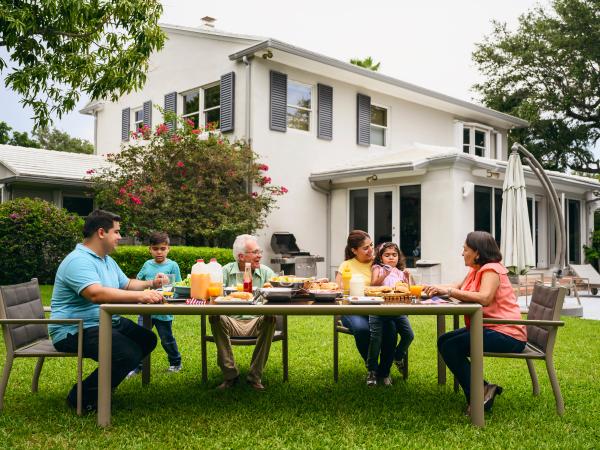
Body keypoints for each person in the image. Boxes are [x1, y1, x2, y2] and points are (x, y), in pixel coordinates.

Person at [50, 210, 164, 413]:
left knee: (146, 340)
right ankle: (81, 397)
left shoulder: (105, 259)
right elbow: (96, 294)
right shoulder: (78, 260)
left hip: (105, 322)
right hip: (75, 329)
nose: (120, 237)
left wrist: (151, 283)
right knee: (127, 354)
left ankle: (105, 386)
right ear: (101, 232)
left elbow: (127, 284)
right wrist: (141, 296)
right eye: (117, 232)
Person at [423, 231, 527, 415]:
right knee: (444, 341)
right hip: (488, 327)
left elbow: (484, 298)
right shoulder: (475, 269)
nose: (462, 253)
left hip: (506, 334)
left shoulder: (491, 269)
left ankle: (477, 397)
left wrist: (449, 292)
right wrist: (435, 288)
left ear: (477, 252)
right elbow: (457, 287)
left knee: (451, 347)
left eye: (465, 249)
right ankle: (485, 388)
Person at [211, 234, 276, 391]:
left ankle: (255, 376)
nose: (259, 255)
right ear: (241, 256)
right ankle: (230, 375)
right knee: (215, 316)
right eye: (255, 252)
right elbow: (213, 298)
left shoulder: (267, 273)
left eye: (259, 251)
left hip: (256, 321)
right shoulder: (225, 272)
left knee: (270, 317)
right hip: (231, 321)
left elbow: (277, 297)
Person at [334, 230, 397, 386]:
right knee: (362, 329)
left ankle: (385, 371)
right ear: (354, 250)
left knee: (391, 329)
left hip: (378, 310)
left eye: (371, 245)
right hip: (352, 309)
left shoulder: (380, 263)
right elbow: (337, 290)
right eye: (365, 248)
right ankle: (372, 369)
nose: (371, 250)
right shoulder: (346, 265)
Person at [128, 231, 183, 378]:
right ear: (150, 249)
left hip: (164, 310)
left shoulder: (173, 265)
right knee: (140, 338)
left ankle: (175, 362)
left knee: (167, 339)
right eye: (155, 248)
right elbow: (138, 283)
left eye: (163, 248)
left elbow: (178, 286)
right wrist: (150, 284)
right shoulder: (147, 265)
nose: (159, 252)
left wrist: (168, 282)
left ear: (168, 249)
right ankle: (137, 366)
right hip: (146, 309)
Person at [368, 243, 415, 385]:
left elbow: (408, 290)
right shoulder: (377, 268)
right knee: (376, 340)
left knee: (408, 335)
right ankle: (372, 370)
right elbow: (373, 285)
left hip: (397, 309)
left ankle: (398, 356)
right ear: (381, 258)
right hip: (378, 310)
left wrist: (407, 278)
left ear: (398, 257)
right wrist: (385, 274)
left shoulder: (400, 272)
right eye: (387, 255)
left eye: (394, 255)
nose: (391, 258)